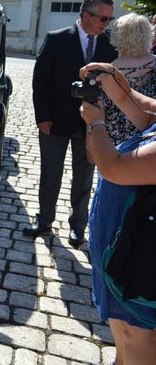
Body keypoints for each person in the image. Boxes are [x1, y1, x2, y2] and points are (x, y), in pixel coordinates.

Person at [26, 0, 117, 249]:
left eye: (110, 19)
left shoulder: (110, 46)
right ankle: (44, 220)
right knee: (50, 174)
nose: (106, 24)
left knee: (84, 178)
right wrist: (42, 116)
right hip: (54, 121)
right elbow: (40, 81)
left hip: (91, 126)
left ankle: (78, 228)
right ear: (86, 16)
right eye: (103, 18)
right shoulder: (56, 40)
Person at [80, 61, 156, 365]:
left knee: (138, 335)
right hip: (126, 247)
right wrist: (112, 80)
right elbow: (143, 109)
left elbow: (113, 167)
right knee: (123, 331)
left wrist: (95, 123)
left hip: (143, 259)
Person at [102, 13, 156, 145]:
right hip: (150, 142)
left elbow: (98, 112)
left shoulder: (107, 72)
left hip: (115, 145)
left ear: (118, 36)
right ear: (148, 35)